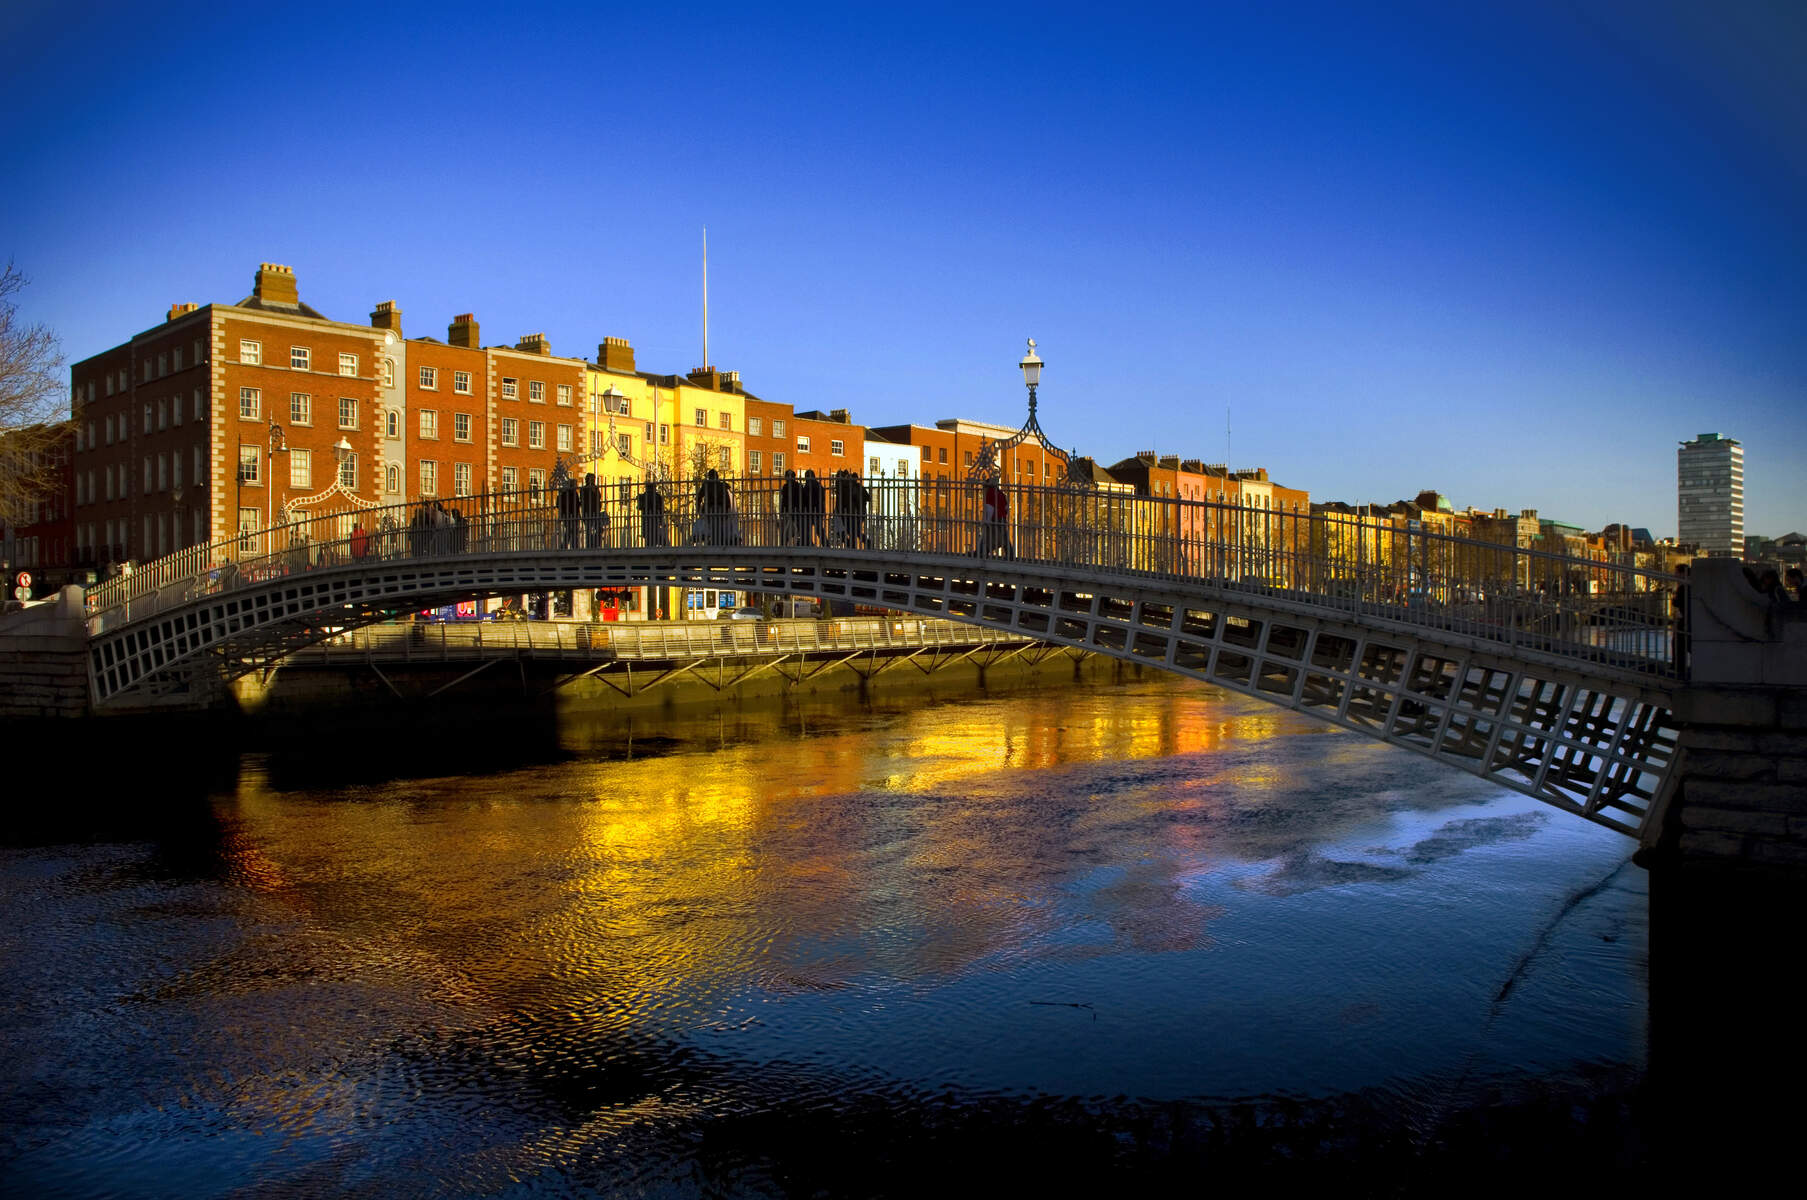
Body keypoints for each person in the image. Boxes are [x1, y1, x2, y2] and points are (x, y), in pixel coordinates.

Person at [637, 479, 666, 547]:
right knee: (654, 536)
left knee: (649, 538)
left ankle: (651, 548)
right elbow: (661, 509)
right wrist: (661, 520)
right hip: (655, 519)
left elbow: (639, 507)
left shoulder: (643, 496)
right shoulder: (657, 496)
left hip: (646, 519)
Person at [581, 473, 605, 549]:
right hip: (587, 512)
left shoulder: (596, 488)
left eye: (593, 479)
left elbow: (599, 497)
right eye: (591, 478)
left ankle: (596, 544)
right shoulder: (584, 489)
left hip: (596, 512)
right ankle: (589, 545)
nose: (592, 480)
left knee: (599, 529)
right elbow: (583, 500)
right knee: (588, 530)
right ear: (587, 479)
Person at [779, 469, 802, 546]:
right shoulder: (787, 487)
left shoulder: (795, 486)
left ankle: (784, 544)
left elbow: (785, 500)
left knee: (794, 530)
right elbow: (784, 500)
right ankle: (785, 544)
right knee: (793, 530)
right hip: (791, 511)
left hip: (794, 511)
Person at [802, 469, 825, 547]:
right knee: (818, 530)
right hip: (817, 510)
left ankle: (810, 544)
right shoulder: (818, 485)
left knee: (808, 529)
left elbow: (805, 498)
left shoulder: (809, 485)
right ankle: (825, 545)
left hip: (811, 510)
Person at [557, 476, 580, 549]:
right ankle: (569, 545)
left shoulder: (575, 494)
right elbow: (561, 504)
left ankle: (570, 545)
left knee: (573, 531)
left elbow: (576, 505)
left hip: (574, 515)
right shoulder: (566, 494)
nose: (576, 486)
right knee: (571, 530)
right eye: (575, 485)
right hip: (568, 515)